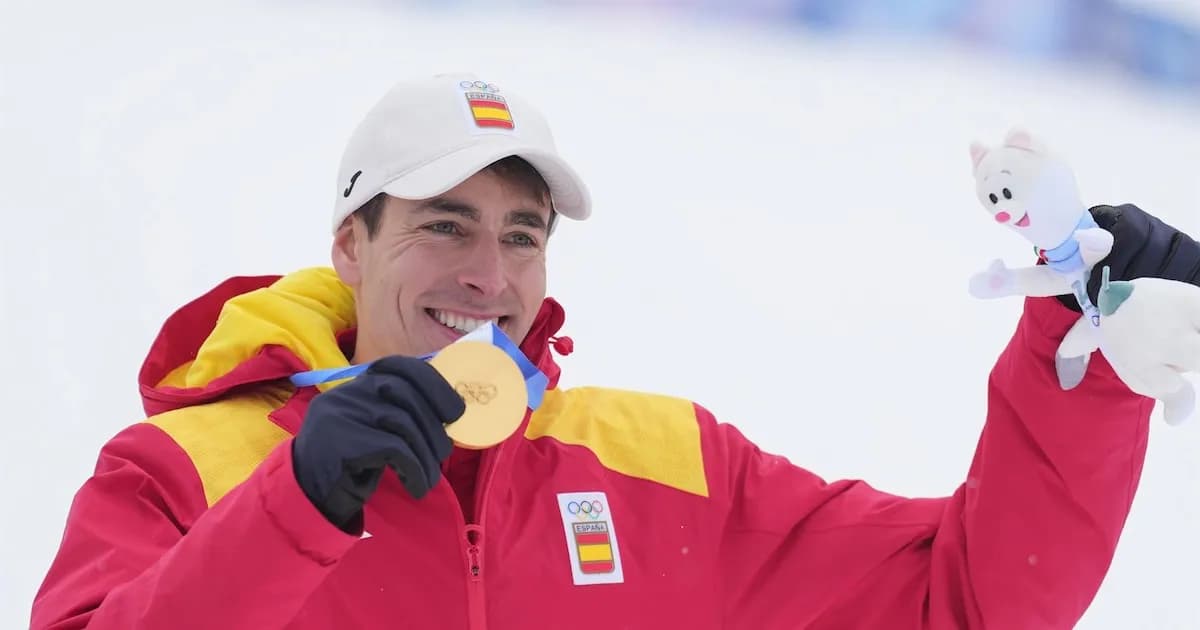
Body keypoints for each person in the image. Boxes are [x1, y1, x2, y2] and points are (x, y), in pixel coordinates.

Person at [30, 73, 1200, 630]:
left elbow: (967, 601)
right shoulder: (185, 469)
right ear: (350, 240)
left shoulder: (657, 463)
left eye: (521, 235)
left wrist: (1085, 362)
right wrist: (298, 505)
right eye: (443, 225)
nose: (487, 274)